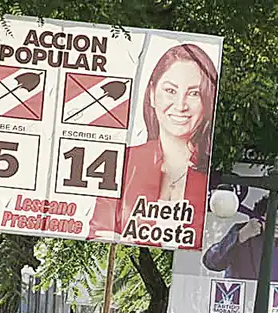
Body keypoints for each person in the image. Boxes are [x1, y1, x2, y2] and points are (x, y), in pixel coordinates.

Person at [90, 43, 218, 247]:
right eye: (170, 90)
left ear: (208, 101)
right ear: (151, 94)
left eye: (194, 93)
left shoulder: (214, 176)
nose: (181, 105)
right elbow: (99, 232)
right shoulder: (124, 163)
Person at [202, 198, 278, 283]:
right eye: (271, 215)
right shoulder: (243, 231)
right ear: (259, 216)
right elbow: (212, 262)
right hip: (243, 308)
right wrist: (241, 236)